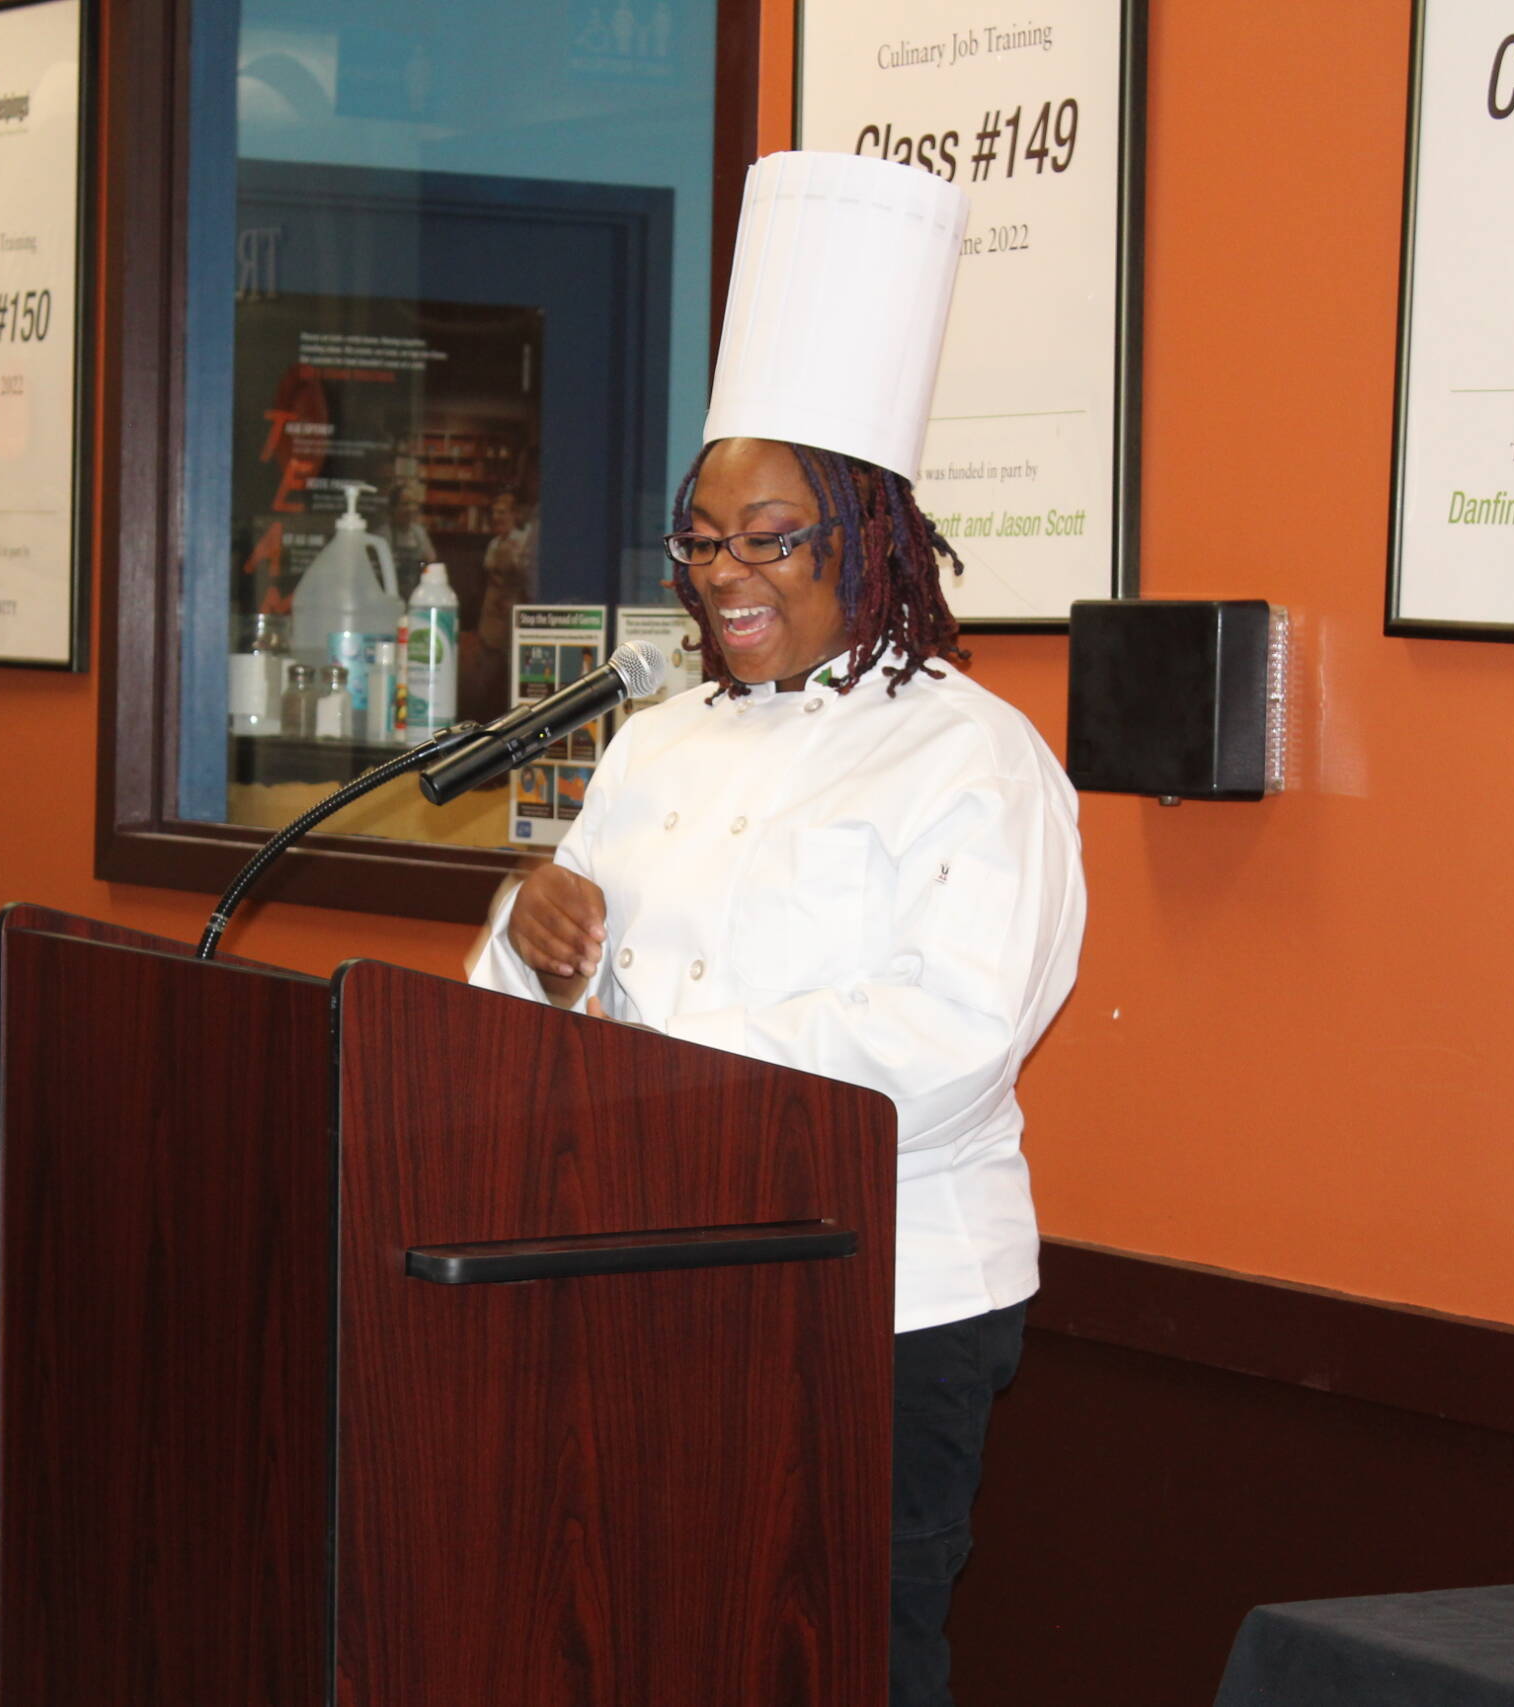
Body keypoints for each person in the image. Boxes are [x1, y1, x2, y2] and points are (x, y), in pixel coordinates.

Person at [465, 151, 1086, 1707]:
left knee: (844, 1655)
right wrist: (530, 934)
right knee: (661, 1634)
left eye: (769, 536)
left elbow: (945, 1040)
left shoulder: (973, 756)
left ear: (865, 537)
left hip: (884, 1296)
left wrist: (662, 1074)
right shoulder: (657, 741)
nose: (725, 575)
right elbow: (541, 999)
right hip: (650, 1265)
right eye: (702, 541)